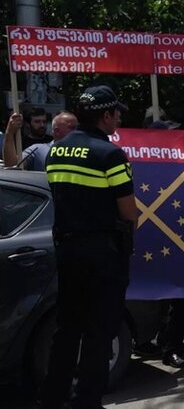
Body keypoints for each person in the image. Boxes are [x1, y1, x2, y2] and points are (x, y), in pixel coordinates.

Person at [40, 85, 138, 409]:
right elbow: (128, 211)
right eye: (117, 112)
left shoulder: (57, 149)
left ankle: (54, 398)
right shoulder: (110, 153)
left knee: (67, 329)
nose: (120, 117)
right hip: (103, 254)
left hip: (67, 249)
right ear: (105, 115)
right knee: (99, 331)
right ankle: (87, 402)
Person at [3, 111, 77, 169]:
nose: (77, 131)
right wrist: (9, 133)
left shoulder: (83, 150)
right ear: (57, 131)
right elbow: (12, 165)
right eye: (72, 128)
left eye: (44, 122)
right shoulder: (37, 149)